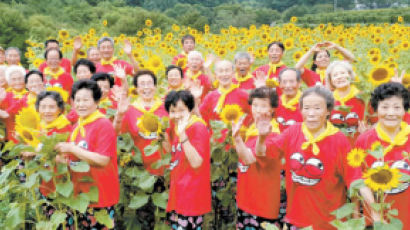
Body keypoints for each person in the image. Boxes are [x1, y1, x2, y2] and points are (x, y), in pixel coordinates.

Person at [254, 86, 373, 229]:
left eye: (317, 108)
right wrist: (261, 138)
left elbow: (355, 179)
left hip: (330, 223)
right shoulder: (293, 132)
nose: (311, 114)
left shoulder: (339, 140)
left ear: (328, 111)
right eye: (307, 108)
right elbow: (263, 153)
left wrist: (374, 211)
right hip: (296, 220)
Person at [55, 79, 119, 229]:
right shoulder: (78, 125)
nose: (80, 104)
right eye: (77, 100)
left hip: (100, 194)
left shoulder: (103, 124)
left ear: (96, 101)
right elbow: (76, 160)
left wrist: (71, 148)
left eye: (85, 100)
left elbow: (102, 160)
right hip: (80, 194)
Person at [355, 82, 410, 229]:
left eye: (397, 107)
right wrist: (376, 213)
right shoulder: (364, 140)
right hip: (377, 220)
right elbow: (360, 180)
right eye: (385, 107)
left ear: (405, 110)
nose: (391, 113)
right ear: (376, 109)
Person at [232, 87, 282, 229]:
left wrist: (259, 138)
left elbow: (251, 158)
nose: (258, 110)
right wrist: (237, 139)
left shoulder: (273, 135)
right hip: (247, 198)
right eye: (255, 105)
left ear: (272, 109)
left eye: (263, 105)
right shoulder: (252, 128)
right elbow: (245, 156)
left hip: (261, 203)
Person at [163, 90, 211, 230]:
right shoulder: (179, 127)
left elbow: (196, 162)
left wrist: (183, 135)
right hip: (179, 192)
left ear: (190, 109)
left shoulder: (197, 127)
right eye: (172, 111)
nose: (176, 115)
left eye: (181, 110)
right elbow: (173, 154)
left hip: (191, 195)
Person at [114, 70, 168, 175]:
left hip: (165, 167)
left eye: (149, 83)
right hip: (140, 170)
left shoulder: (165, 107)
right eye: (142, 84)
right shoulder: (130, 110)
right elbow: (116, 133)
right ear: (137, 89)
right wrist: (119, 114)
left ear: (155, 87)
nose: (146, 87)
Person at [199, 60, 251, 127]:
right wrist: (196, 98)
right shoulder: (210, 96)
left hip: (238, 135)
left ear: (233, 73)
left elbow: (253, 115)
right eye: (221, 71)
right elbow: (201, 116)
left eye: (227, 71)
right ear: (216, 75)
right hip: (217, 135)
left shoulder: (243, 95)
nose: (224, 74)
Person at [326, 61, 365, 144]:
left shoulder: (363, 97)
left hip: (361, 146)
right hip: (337, 147)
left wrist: (368, 131)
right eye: (335, 75)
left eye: (343, 73)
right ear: (331, 81)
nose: (339, 77)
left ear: (350, 75)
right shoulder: (328, 100)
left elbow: (376, 121)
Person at [0, 65, 28, 142]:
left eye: (20, 79)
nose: (17, 82)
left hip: (29, 136)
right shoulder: (6, 95)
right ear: (9, 82)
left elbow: (6, 114)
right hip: (11, 138)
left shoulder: (29, 95)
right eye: (14, 79)